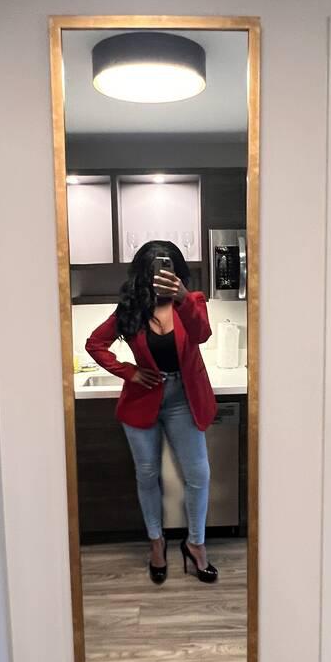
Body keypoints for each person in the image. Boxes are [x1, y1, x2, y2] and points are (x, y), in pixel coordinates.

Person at [86, 240, 218, 585]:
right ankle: (156, 542)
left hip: (184, 399)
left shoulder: (192, 301)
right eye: (155, 268)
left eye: (169, 266)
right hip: (142, 398)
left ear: (178, 271)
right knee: (147, 474)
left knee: (199, 474)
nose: (162, 273)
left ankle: (195, 544)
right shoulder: (131, 309)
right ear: (143, 273)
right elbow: (95, 344)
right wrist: (128, 371)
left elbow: (202, 334)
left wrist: (183, 297)